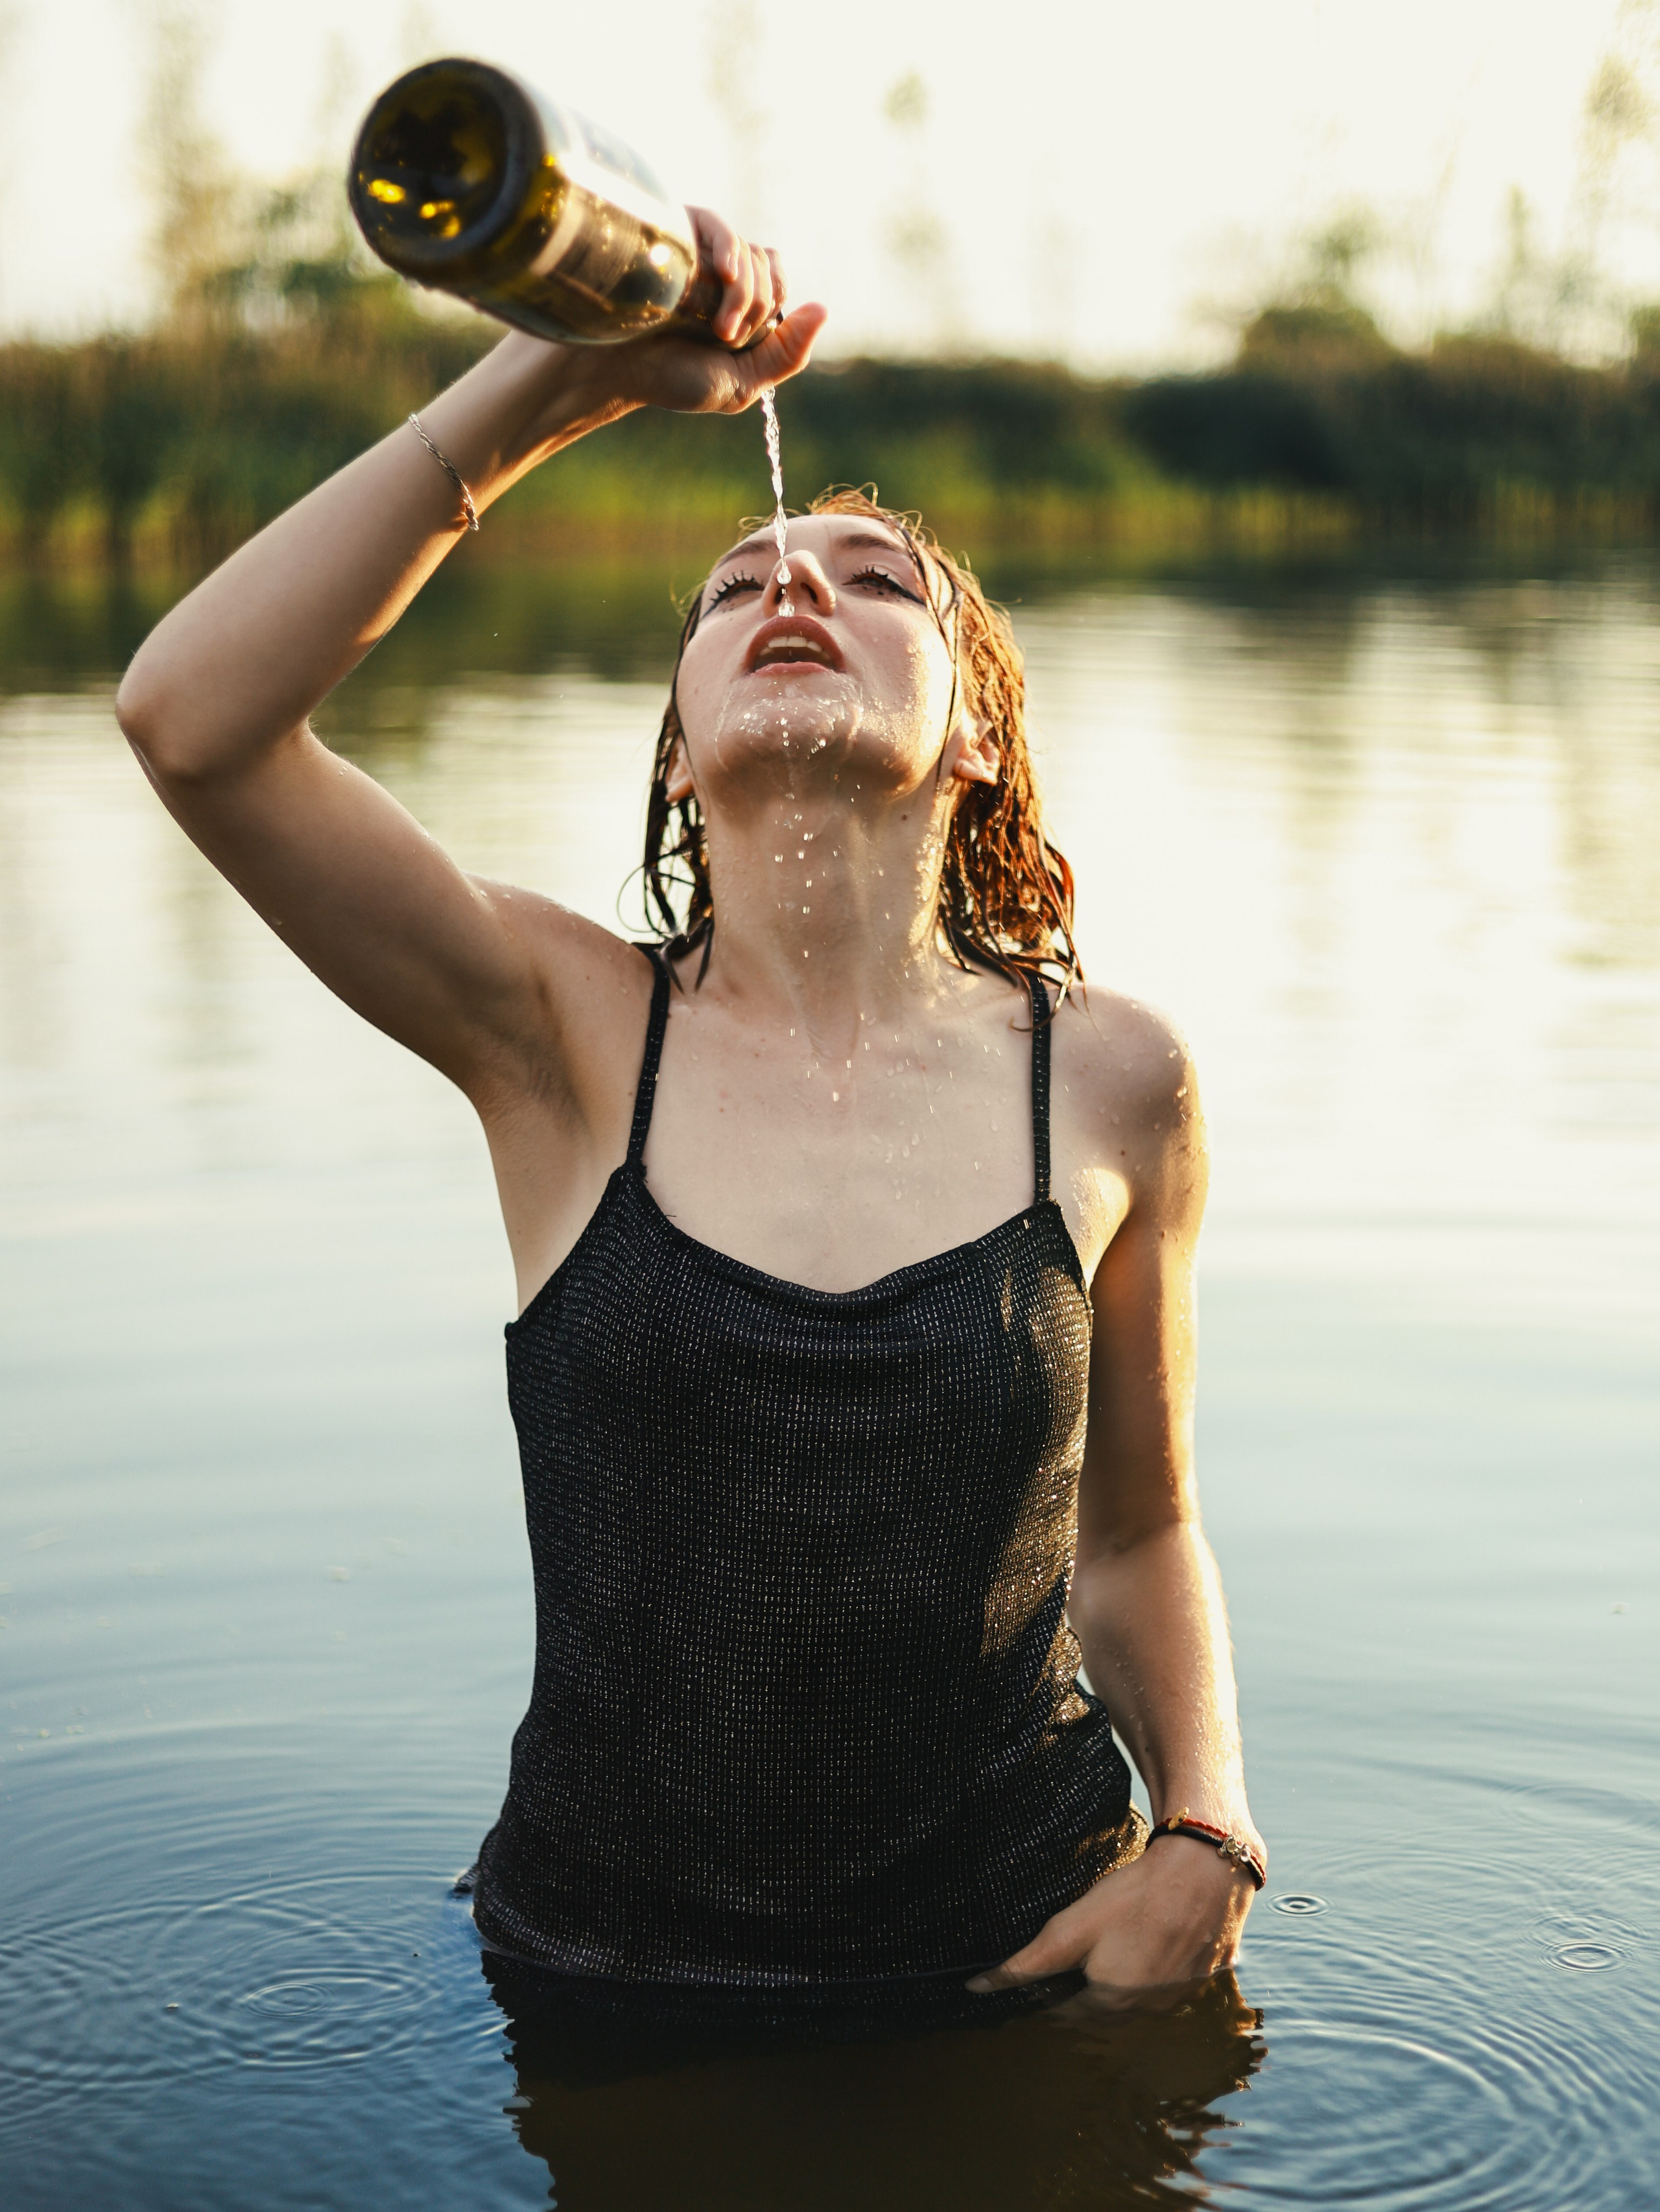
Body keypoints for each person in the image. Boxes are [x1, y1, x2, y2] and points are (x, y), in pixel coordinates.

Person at [115, 207, 1266, 2001]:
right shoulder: (556, 1030)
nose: (795, 592)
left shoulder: (1115, 1074)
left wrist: (1206, 1828)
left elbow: (1137, 1534)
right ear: (677, 751)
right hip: (604, 1978)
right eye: (738, 590)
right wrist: (553, 378)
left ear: (975, 735)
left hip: (1022, 1970)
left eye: (878, 582)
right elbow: (193, 720)